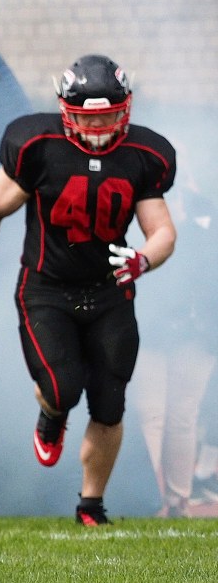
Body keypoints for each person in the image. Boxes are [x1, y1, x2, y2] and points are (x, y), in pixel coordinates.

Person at [0, 53, 176, 526]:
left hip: (110, 291)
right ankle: (52, 415)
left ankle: (91, 505)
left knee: (110, 401)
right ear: (65, 110)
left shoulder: (144, 155)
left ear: (126, 110)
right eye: (86, 118)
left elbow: (162, 232)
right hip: (47, 288)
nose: (97, 130)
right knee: (62, 386)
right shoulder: (37, 144)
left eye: (107, 117)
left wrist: (143, 259)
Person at [130, 184, 216, 517]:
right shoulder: (135, 218)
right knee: (151, 416)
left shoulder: (204, 225)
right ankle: (150, 499)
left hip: (197, 335)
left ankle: (180, 501)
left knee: (184, 415)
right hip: (151, 332)